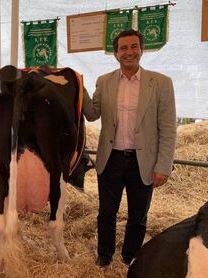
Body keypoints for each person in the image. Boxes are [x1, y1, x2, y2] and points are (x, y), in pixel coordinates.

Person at [82, 29, 177, 267]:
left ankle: (130, 258)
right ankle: (104, 257)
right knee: (106, 214)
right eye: (123, 48)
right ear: (115, 54)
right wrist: (79, 87)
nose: (129, 52)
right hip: (110, 159)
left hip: (142, 162)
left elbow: (168, 129)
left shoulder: (161, 83)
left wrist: (163, 166)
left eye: (134, 47)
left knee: (138, 216)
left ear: (141, 50)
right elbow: (92, 114)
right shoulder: (104, 81)